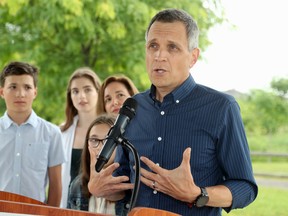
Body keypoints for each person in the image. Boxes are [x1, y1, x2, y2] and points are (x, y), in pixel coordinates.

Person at [87, 8, 258, 216]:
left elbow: (246, 188)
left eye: (173, 48)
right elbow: (124, 185)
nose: (160, 56)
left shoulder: (222, 108)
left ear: (193, 57)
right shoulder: (133, 107)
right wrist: (101, 189)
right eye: (153, 46)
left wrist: (197, 194)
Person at [0, 61, 65, 207]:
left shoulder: (52, 133)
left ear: (35, 92)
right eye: (13, 87)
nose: (20, 94)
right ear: (2, 92)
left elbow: (56, 185)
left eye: (27, 87)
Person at [68, 114, 128, 215]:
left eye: (107, 141)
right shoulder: (77, 185)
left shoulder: (131, 185)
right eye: (94, 140)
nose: (100, 148)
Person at [60, 67, 101, 208]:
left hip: (99, 205)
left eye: (87, 89)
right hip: (68, 205)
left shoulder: (111, 129)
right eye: (75, 91)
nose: (81, 96)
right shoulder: (62, 133)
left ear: (98, 91)